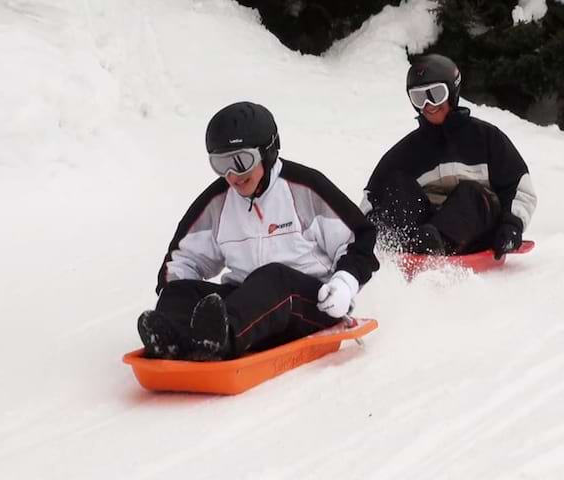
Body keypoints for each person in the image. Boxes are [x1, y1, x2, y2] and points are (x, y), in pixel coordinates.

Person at [137, 101, 379, 361]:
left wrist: (344, 284)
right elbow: (183, 259)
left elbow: (360, 239)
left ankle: (220, 341)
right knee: (179, 291)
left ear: (267, 152)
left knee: (272, 277)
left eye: (241, 161)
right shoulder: (217, 202)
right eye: (221, 164)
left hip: (311, 306)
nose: (232, 175)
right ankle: (175, 340)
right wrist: (176, 302)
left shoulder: (304, 188)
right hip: (249, 308)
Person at [360, 54, 537, 258]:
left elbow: (519, 187)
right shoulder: (407, 151)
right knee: (397, 183)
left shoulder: (486, 138)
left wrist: (512, 225)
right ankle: (412, 246)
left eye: (436, 94)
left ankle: (437, 241)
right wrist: (373, 232)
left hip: (476, 235)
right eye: (419, 97)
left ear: (452, 92)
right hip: (421, 239)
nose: (428, 104)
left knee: (471, 193)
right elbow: (371, 199)